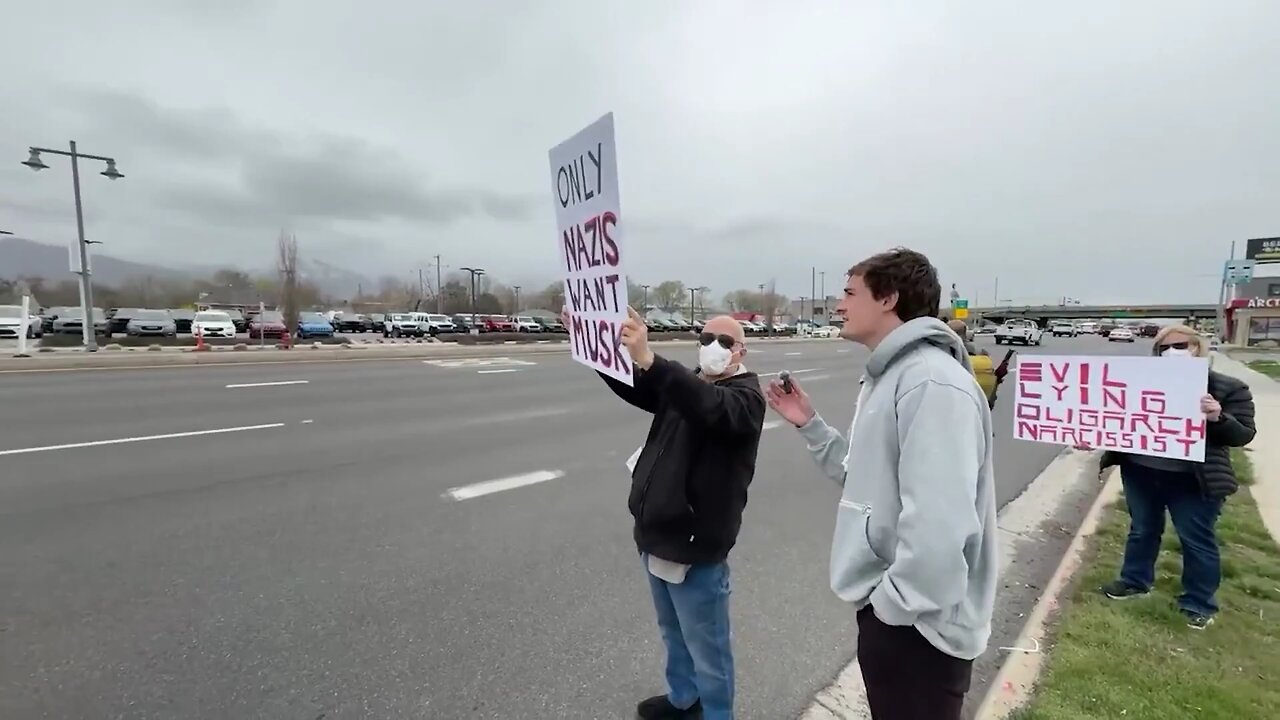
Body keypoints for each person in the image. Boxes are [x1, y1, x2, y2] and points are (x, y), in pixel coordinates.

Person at [764, 248, 998, 720]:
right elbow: (865, 483)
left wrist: (890, 609)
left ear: (888, 298)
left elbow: (940, 525)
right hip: (900, 617)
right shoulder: (891, 376)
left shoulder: (931, 381)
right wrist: (810, 424)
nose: (838, 305)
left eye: (850, 292)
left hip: (921, 628)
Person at [575, 306, 766, 720]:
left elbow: (711, 408)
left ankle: (716, 714)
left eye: (725, 342)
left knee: (709, 649)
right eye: (705, 339)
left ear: (742, 351)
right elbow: (641, 388)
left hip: (695, 545)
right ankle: (684, 699)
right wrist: (597, 348)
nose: (713, 347)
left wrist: (651, 359)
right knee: (673, 632)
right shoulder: (690, 386)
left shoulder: (745, 399)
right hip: (657, 533)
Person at [1094, 324, 1255, 629]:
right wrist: (1091, 435)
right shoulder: (1138, 383)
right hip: (1141, 471)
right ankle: (1134, 581)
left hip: (1193, 480)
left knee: (1195, 540)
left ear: (1198, 347)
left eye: (1181, 345)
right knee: (1142, 530)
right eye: (1163, 348)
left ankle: (1198, 602)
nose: (1172, 352)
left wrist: (1218, 417)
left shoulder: (1228, 388)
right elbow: (1119, 422)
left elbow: (1243, 434)